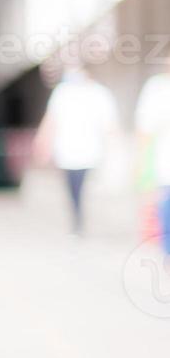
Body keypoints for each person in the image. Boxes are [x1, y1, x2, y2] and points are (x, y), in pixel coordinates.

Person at [35, 63, 119, 236]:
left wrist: (113, 146)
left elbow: (110, 123)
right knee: (71, 186)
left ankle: (79, 216)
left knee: (81, 183)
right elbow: (51, 120)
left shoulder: (99, 94)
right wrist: (42, 143)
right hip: (66, 150)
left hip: (90, 150)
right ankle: (77, 216)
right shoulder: (63, 92)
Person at [133, 64, 170, 262]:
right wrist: (141, 161)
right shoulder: (157, 89)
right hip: (164, 163)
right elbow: (144, 128)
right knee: (166, 209)